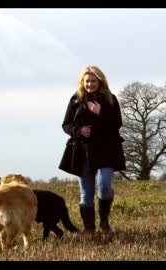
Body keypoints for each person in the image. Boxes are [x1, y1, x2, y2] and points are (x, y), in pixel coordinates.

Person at [59, 65, 125, 234]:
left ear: (100, 81)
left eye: (93, 81)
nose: (90, 84)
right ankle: (89, 229)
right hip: (82, 152)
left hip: (106, 150)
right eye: (87, 81)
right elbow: (66, 125)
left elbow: (117, 123)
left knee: (104, 186)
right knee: (86, 196)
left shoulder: (111, 99)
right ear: (82, 82)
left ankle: (104, 222)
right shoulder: (75, 99)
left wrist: (100, 112)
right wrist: (79, 131)